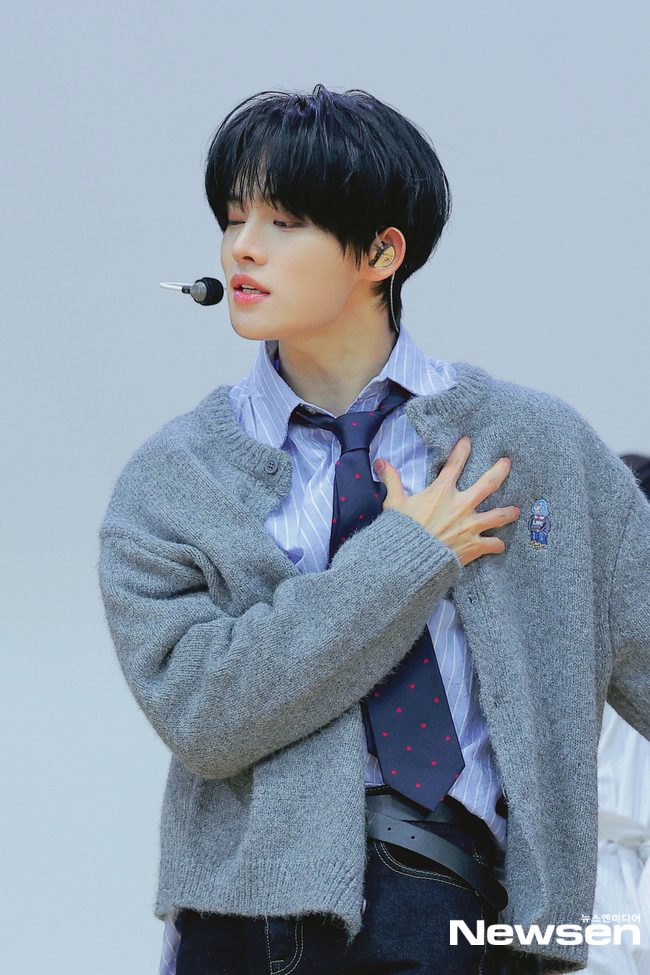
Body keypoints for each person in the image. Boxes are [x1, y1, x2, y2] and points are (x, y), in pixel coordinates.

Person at [98, 86, 650, 975]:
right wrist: (408, 556)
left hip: (448, 902)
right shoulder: (175, 476)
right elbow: (205, 715)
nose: (242, 246)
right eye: (234, 217)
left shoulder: (535, 446)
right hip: (231, 925)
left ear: (382, 252)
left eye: (284, 222)